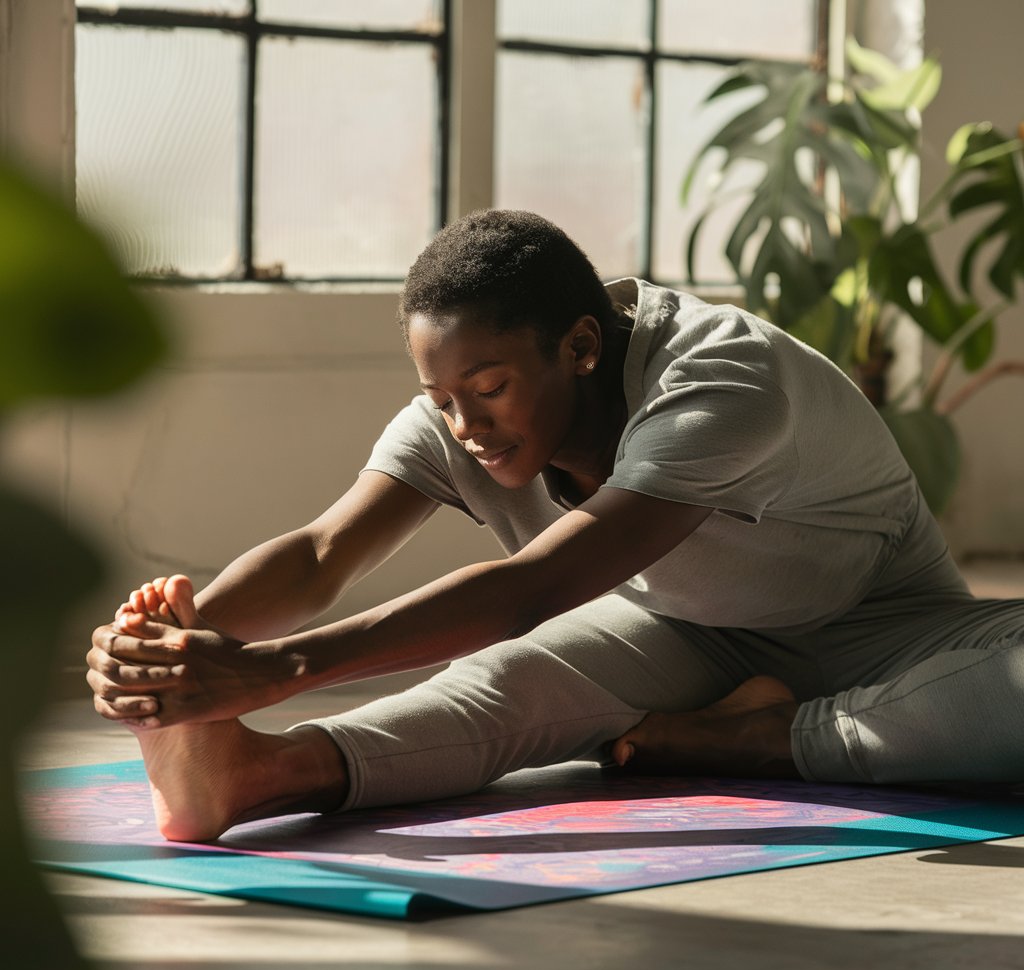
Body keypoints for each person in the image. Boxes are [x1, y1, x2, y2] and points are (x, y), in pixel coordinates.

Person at [86, 210, 1024, 843]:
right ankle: (256, 774)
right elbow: (327, 550)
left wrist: (274, 669)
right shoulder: (459, 413)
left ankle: (758, 738)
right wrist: (181, 643)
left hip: (886, 632)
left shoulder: (719, 378)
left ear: (580, 347)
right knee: (509, 686)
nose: (464, 425)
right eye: (439, 397)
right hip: (685, 636)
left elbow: (536, 587)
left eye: (488, 390)